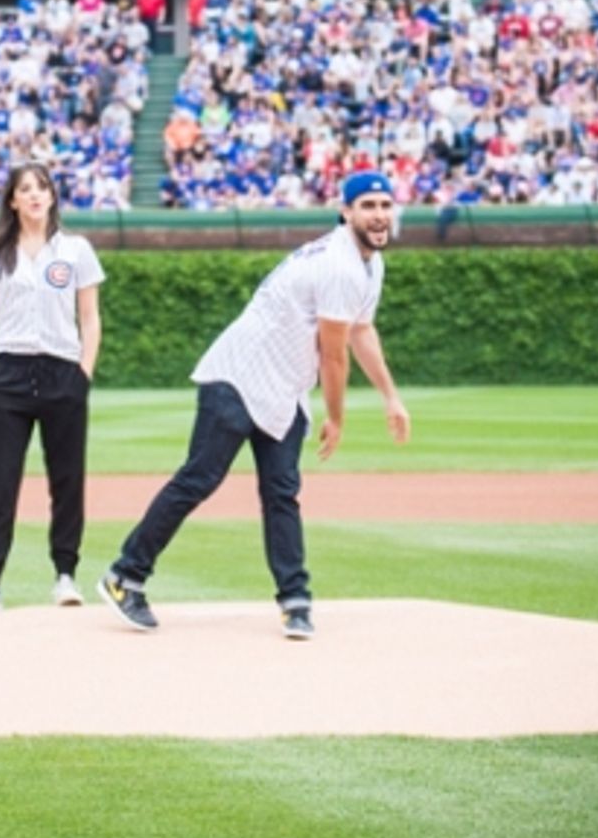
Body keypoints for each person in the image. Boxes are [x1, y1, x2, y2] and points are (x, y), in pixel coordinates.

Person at [98, 171, 411, 638]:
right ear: (345, 212)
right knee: (199, 478)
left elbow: (361, 331)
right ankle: (125, 577)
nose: (379, 214)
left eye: (386, 205)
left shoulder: (369, 263)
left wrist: (391, 396)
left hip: (282, 388)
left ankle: (295, 600)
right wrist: (337, 418)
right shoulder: (340, 264)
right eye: (368, 205)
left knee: (281, 492)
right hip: (238, 374)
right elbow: (332, 354)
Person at [0, 163, 105, 617]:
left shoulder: (75, 250)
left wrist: (84, 370)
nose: (34, 195)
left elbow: (90, 317)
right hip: (8, 376)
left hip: (64, 371)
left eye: (41, 187)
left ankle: (65, 575)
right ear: (12, 200)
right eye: (25, 189)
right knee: (0, 481)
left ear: (51, 197)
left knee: (67, 480)